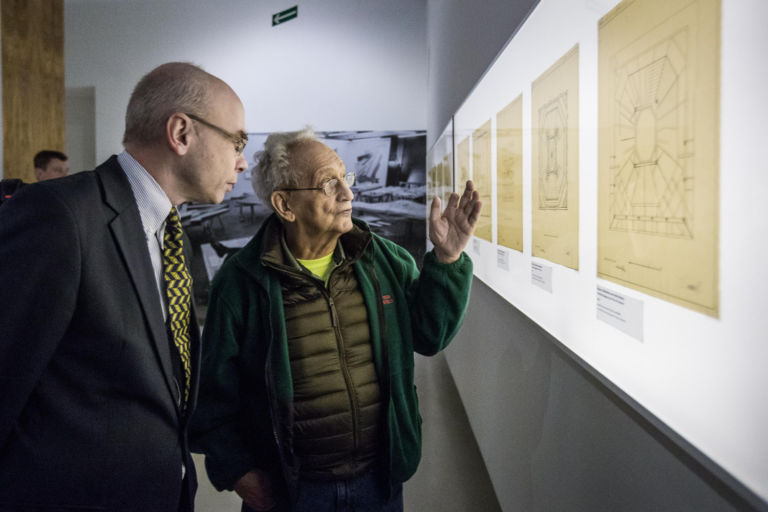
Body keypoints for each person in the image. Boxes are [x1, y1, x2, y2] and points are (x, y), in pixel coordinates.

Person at [0, 62, 248, 511]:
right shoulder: (60, 216)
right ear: (181, 132)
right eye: (237, 141)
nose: (242, 160)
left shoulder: (174, 237)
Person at [191, 128, 482, 511]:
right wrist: (238, 470)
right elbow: (214, 390)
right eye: (329, 184)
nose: (348, 193)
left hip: (378, 483)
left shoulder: (383, 259)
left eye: (347, 178)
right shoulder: (242, 280)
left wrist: (446, 261)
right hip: (291, 493)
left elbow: (430, 335)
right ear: (284, 204)